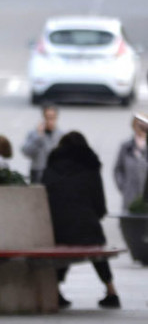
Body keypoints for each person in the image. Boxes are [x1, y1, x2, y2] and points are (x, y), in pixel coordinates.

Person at [43, 131, 120, 309]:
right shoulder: (90, 168)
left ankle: (56, 290)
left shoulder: (52, 167)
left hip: (58, 228)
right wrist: (96, 216)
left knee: (62, 243)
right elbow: (99, 203)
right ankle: (111, 291)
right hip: (87, 226)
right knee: (94, 243)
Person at [113, 112, 148, 212]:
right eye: (138, 124)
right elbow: (118, 169)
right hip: (130, 198)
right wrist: (123, 187)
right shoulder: (126, 146)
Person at [22, 104, 63, 183]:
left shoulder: (60, 135)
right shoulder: (34, 134)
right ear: (43, 117)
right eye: (48, 117)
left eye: (52, 117)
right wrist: (39, 137)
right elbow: (26, 152)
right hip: (38, 171)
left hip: (56, 171)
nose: (50, 120)